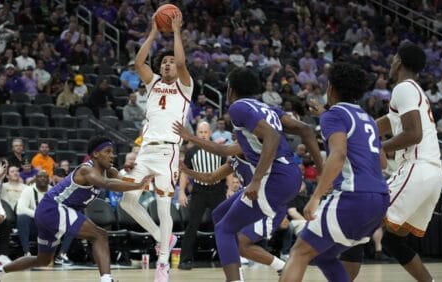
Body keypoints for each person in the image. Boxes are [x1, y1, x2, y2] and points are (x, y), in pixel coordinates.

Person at [173, 67, 323, 282]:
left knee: (225, 230)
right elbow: (306, 130)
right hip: (290, 174)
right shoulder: (268, 108)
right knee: (219, 216)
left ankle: (236, 279)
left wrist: (255, 180)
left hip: (273, 179)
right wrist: (322, 171)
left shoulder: (237, 108)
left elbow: (270, 136)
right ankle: (242, 271)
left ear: (230, 89)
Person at [0, 136, 153, 282]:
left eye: (113, 152)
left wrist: (141, 180)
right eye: (107, 152)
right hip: (54, 208)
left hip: (48, 212)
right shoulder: (87, 170)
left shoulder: (111, 170)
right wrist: (139, 185)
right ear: (95, 154)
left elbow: (124, 180)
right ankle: (107, 279)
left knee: (43, 260)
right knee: (100, 235)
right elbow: (107, 184)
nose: (112, 155)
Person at [279, 62, 389, 281]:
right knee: (325, 256)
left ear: (331, 89)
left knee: (299, 252)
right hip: (380, 200)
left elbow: (337, 154)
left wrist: (316, 196)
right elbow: (382, 162)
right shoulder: (367, 119)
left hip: (353, 196)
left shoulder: (334, 115)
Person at [118, 11, 193, 282]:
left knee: (163, 207)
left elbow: (183, 62)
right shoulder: (153, 84)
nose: (167, 65)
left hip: (168, 151)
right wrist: (152, 33)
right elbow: (139, 62)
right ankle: (163, 238)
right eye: (164, 62)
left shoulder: (186, 86)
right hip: (146, 150)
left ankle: (163, 264)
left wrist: (175, 31)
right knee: (127, 200)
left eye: (171, 62)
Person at [368, 42, 442, 282]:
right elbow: (384, 124)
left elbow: (413, 133)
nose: (390, 63)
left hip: (417, 168)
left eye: (393, 59)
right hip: (430, 174)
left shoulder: (404, 88)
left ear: (398, 61)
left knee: (363, 218)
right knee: (392, 239)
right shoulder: (411, 91)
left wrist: (377, 148)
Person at [177, 122, 226, 270]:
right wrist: (181, 191)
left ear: (210, 132)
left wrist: (230, 188)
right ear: (197, 134)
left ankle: (227, 258)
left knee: (223, 225)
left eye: (205, 132)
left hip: (218, 190)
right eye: (200, 132)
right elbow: (185, 172)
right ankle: (184, 260)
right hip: (199, 191)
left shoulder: (218, 150)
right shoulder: (191, 152)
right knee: (192, 225)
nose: (203, 134)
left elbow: (227, 169)